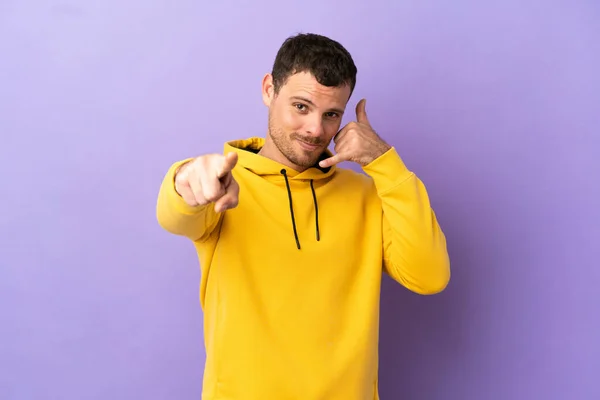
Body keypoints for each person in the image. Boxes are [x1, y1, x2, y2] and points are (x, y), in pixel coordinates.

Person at [156, 32, 450, 400]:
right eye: (301, 107)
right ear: (268, 90)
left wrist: (384, 163)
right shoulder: (224, 185)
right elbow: (175, 216)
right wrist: (186, 180)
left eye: (331, 115)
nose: (316, 130)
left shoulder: (367, 195)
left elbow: (430, 275)